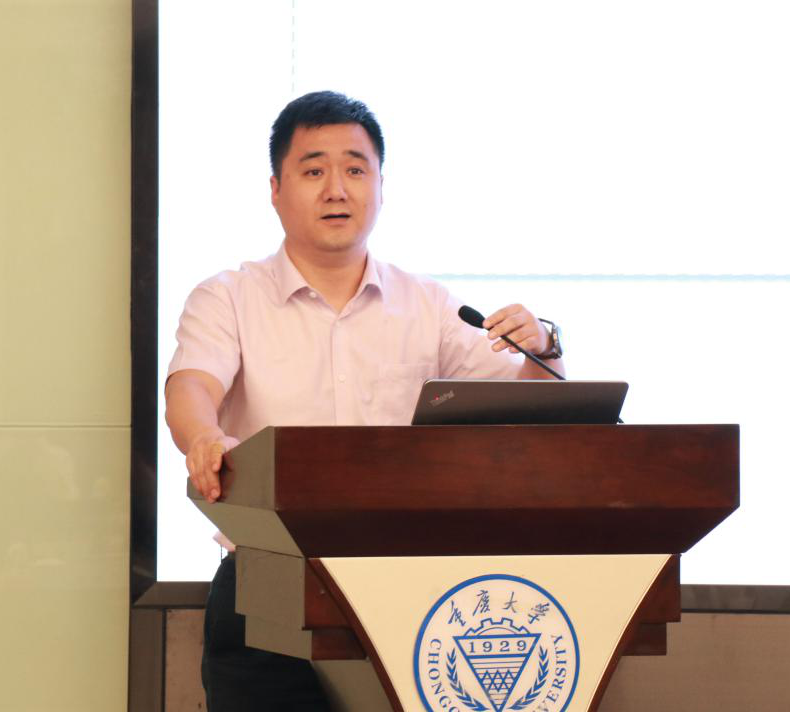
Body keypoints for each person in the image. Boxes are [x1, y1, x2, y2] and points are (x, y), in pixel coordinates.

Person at [163, 90, 565, 711]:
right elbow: (192, 386)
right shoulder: (228, 297)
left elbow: (526, 405)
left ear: (380, 186)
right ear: (275, 189)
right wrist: (205, 437)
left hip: (405, 587)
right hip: (266, 581)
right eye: (313, 171)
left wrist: (545, 344)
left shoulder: (429, 305)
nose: (337, 190)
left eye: (355, 170)